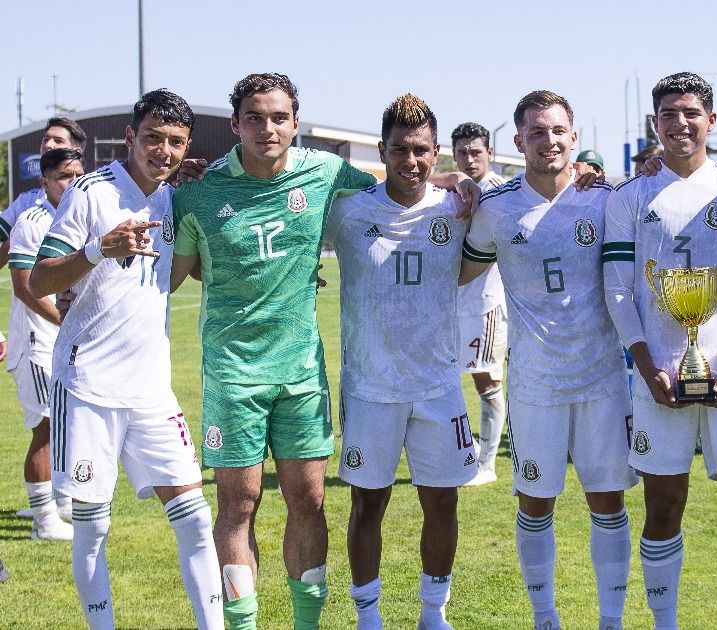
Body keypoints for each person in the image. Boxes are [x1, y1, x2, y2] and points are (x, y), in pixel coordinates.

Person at [170, 72, 478, 629]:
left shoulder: (328, 175)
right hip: (233, 375)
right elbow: (171, 275)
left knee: (309, 503)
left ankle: (310, 625)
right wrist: (177, 174)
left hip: (303, 373)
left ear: (296, 123)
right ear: (235, 123)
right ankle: (243, 625)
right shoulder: (199, 190)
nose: (268, 128)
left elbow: (406, 186)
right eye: (255, 117)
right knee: (238, 506)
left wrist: (459, 177)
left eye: (279, 117)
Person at [29, 89, 222, 629]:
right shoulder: (91, 194)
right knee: (93, 527)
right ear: (131, 137)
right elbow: (41, 278)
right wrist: (98, 250)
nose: (163, 150)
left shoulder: (172, 198)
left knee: (196, 520)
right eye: (154, 137)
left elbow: (199, 262)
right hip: (88, 387)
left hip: (152, 391)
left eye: (175, 142)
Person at [603, 73, 717, 630]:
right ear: (655, 122)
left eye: (691, 113)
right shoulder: (629, 197)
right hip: (658, 377)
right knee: (662, 510)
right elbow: (618, 288)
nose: (680, 123)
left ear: (712, 121)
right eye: (669, 114)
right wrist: (643, 363)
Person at [461, 90, 637, 630]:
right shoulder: (496, 208)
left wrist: (651, 163)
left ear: (575, 137)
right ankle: (545, 618)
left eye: (558, 130)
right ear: (518, 142)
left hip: (603, 379)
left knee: (607, 502)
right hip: (535, 385)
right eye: (537, 132)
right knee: (535, 503)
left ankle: (610, 621)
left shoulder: (607, 196)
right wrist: (448, 184)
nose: (549, 140)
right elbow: (460, 270)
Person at [328, 94, 476, 630]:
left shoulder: (458, 209)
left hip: (439, 385)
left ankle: (433, 615)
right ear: (382, 151)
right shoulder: (348, 211)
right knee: (368, 505)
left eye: (420, 151)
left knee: (442, 504)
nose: (410, 162)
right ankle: (369, 617)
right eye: (398, 150)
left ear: (436, 151)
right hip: (370, 388)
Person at [8, 147, 85, 541]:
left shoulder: (77, 215)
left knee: (64, 423)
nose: (71, 183)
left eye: (77, 175)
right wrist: (67, 320)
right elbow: (25, 288)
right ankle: (43, 521)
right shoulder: (32, 221)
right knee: (46, 427)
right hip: (37, 342)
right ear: (45, 183)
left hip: (63, 343)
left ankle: (60, 500)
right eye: (63, 177)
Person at [450, 121, 508, 487]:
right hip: (453, 304)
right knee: (452, 380)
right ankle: (466, 453)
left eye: (476, 152)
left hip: (487, 303)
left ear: (490, 153)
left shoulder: (501, 192)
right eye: (462, 153)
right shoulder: (456, 189)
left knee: (486, 379)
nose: (470, 159)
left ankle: (487, 464)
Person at [0, 117, 87, 245]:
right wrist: (19, 237)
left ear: (76, 152)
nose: (48, 145)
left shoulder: (94, 199)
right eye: (45, 139)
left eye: (58, 141)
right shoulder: (26, 202)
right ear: (44, 183)